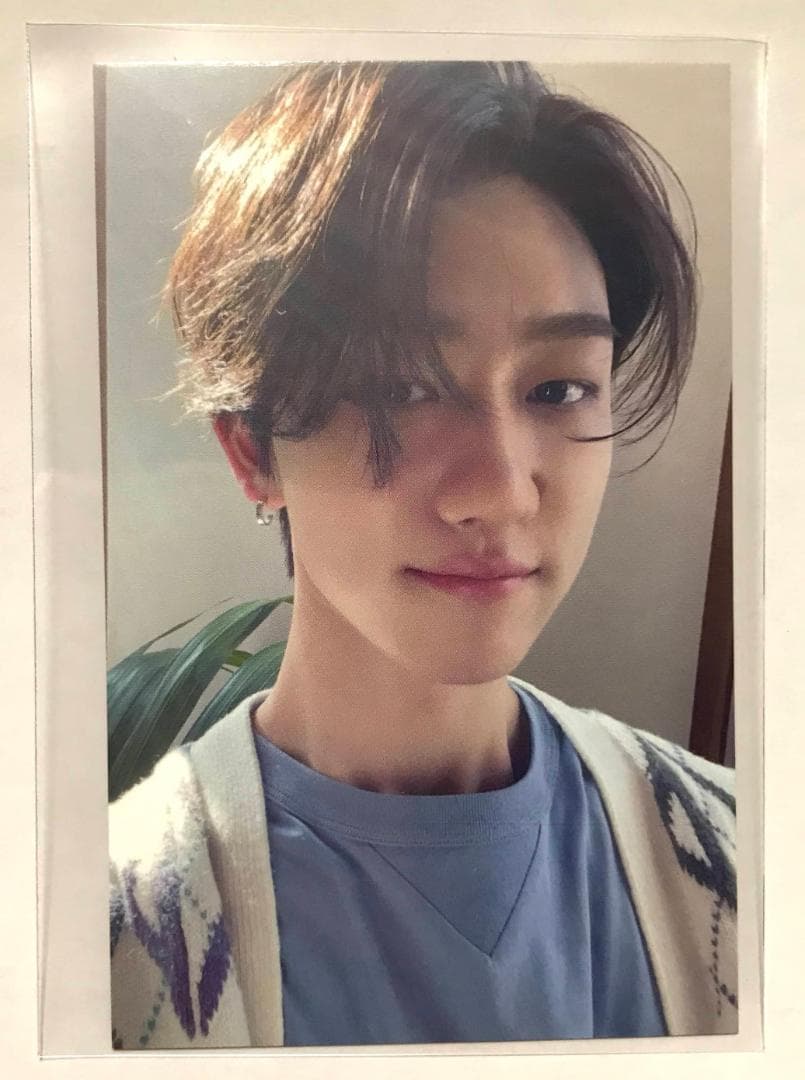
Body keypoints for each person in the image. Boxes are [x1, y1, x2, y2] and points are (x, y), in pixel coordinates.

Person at [108, 61, 737, 1050]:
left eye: (559, 389)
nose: (501, 489)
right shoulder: (101, 941)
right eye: (399, 388)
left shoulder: (744, 855)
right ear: (252, 450)